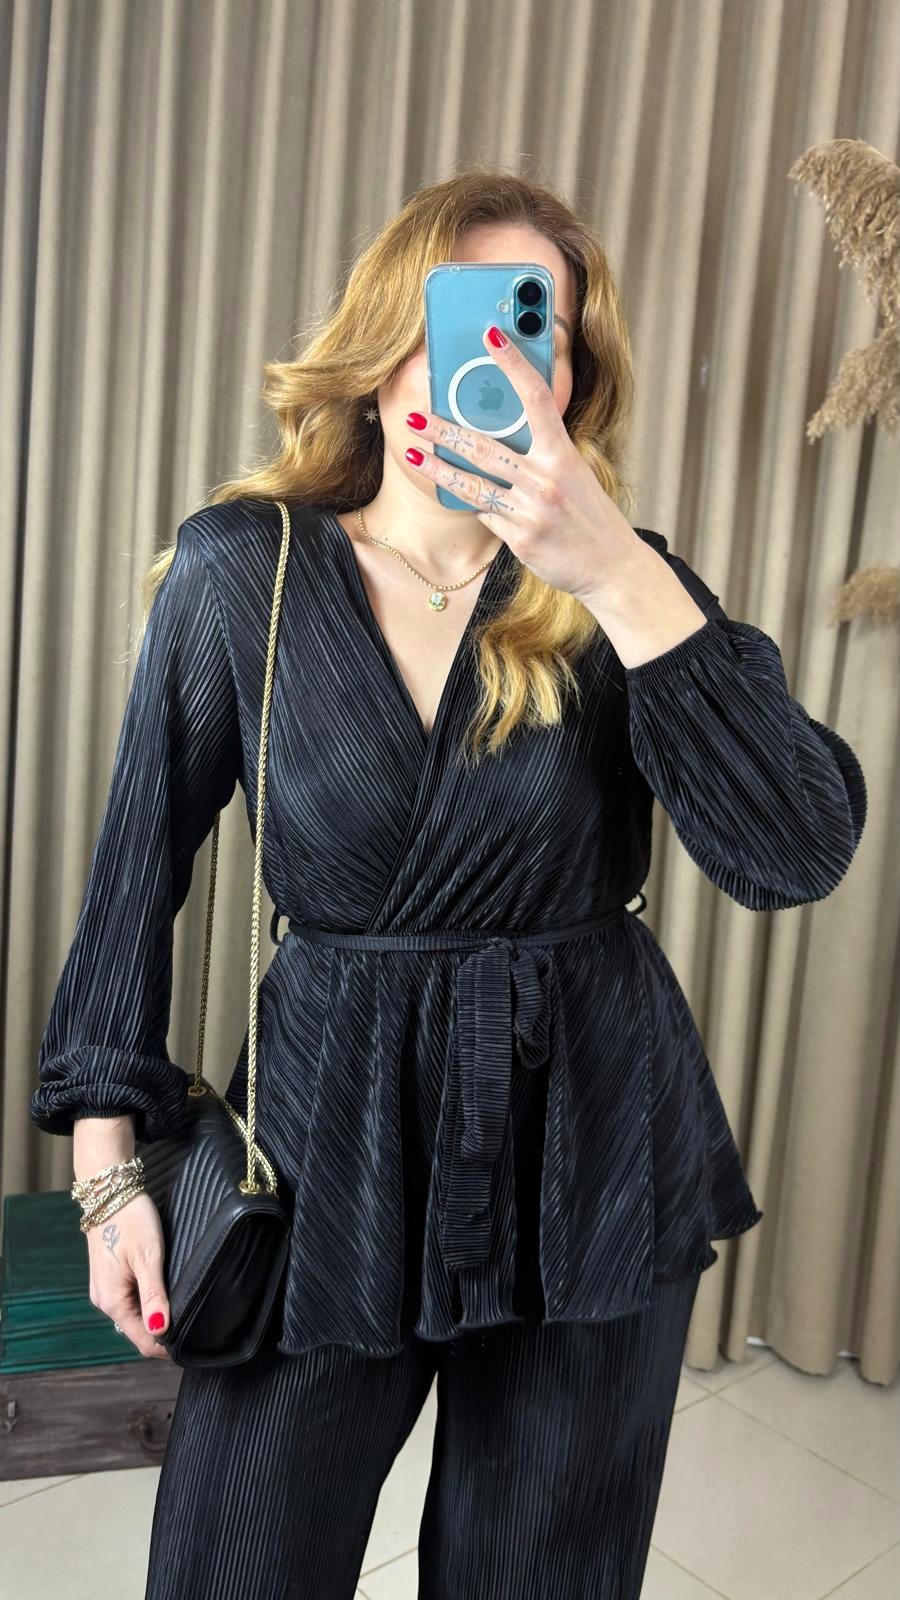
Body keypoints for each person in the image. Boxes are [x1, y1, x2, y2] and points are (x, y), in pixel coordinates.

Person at [31, 168, 867, 1599]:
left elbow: (795, 849)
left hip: (590, 1142)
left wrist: (615, 572)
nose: (487, 365)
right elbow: (134, 871)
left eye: (531, 332)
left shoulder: (624, 590)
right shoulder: (245, 573)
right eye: (452, 322)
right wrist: (108, 1178)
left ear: (570, 378)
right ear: (379, 349)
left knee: (539, 1576)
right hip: (328, 1138)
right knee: (237, 1567)